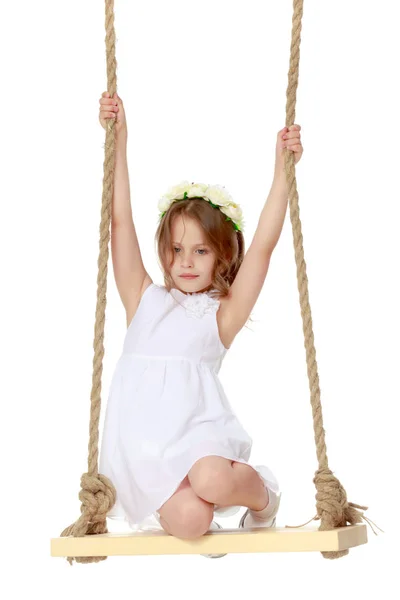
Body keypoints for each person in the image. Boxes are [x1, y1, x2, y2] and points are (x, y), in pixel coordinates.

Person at [97, 91, 303, 555]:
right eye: (176, 250)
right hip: (145, 449)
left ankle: (263, 500)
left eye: (201, 251)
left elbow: (265, 250)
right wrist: (120, 139)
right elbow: (120, 223)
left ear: (222, 255)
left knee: (210, 477)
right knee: (192, 521)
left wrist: (281, 173)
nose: (185, 262)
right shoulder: (143, 298)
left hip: (197, 439)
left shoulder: (220, 315)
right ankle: (190, 508)